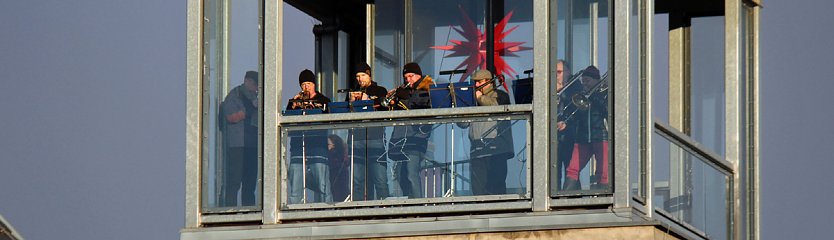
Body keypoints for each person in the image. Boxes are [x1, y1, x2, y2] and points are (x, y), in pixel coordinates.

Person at [287, 69, 333, 204]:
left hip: (318, 147)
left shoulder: (324, 100)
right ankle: (294, 216)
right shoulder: (294, 101)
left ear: (314, 84)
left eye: (309, 83)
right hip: (297, 148)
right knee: (295, 185)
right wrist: (293, 106)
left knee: (323, 184)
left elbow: (330, 119)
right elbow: (287, 120)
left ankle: (328, 212)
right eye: (303, 84)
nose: (306, 87)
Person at [387, 62, 433, 198]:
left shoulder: (427, 89)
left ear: (418, 75)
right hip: (400, 138)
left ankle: (418, 203)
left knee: (411, 173)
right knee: (401, 176)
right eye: (406, 77)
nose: (408, 80)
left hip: (416, 138)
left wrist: (405, 98)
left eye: (411, 76)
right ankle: (408, 201)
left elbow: (422, 107)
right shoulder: (405, 91)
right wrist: (393, 103)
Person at [466, 69, 515, 195]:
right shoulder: (472, 99)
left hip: (497, 149)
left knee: (496, 186)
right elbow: (463, 123)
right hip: (477, 149)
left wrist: (480, 98)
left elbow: (496, 107)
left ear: (488, 82)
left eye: (479, 82)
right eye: (475, 82)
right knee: (478, 190)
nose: (476, 85)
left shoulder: (501, 95)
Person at [345, 63, 390, 200]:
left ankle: (386, 211)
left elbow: (385, 110)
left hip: (375, 138)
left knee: (380, 179)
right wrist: (351, 104)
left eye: (363, 75)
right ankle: (358, 212)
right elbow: (345, 115)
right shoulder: (353, 93)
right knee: (357, 181)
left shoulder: (380, 90)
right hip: (356, 139)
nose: (360, 79)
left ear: (369, 75)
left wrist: (368, 101)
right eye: (357, 76)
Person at [563, 66, 609, 190]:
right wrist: (566, 121)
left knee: (603, 172)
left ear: (595, 80)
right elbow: (575, 115)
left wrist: (596, 97)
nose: (585, 84)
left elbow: (608, 112)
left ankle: (603, 200)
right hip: (582, 139)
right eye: (583, 81)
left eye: (587, 81)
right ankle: (564, 199)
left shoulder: (604, 93)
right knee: (572, 169)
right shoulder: (581, 95)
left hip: (601, 138)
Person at [220, 70, 259, 206]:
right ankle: (229, 209)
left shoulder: (256, 98)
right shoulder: (234, 96)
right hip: (237, 146)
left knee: (250, 182)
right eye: (255, 84)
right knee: (234, 180)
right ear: (247, 81)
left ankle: (249, 209)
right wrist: (249, 109)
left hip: (253, 145)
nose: (256, 89)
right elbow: (231, 117)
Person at [554, 60, 581, 191]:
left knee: (571, 169)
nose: (556, 75)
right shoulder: (549, 88)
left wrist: (567, 123)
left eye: (559, 72)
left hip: (571, 135)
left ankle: (573, 198)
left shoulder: (575, 86)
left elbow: (579, 109)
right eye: (554, 72)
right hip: (554, 137)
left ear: (568, 72)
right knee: (554, 170)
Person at [327, 134, 350, 202]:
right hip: (340, 187)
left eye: (328, 144)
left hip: (336, 179)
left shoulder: (333, 156)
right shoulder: (342, 157)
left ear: (334, 145)